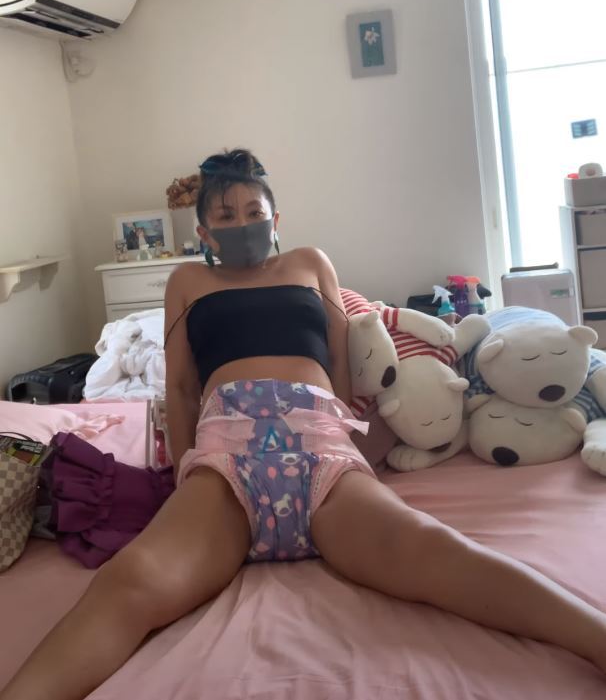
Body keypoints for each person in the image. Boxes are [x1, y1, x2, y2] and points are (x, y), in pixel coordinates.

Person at [2, 147, 605, 700]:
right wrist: (185, 471)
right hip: (227, 451)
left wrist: (348, 442)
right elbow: (181, 387)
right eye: (226, 215)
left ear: (275, 218)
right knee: (131, 581)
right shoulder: (189, 281)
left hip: (320, 446)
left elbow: (341, 361)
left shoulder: (310, 263)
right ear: (204, 231)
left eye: (253, 212)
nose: (243, 224)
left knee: (435, 549)